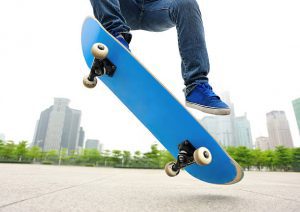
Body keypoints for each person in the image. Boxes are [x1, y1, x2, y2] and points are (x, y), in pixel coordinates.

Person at [89, 0, 230, 115]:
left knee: (187, 3)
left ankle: (196, 86)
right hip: (123, 7)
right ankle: (116, 36)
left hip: (156, 9)